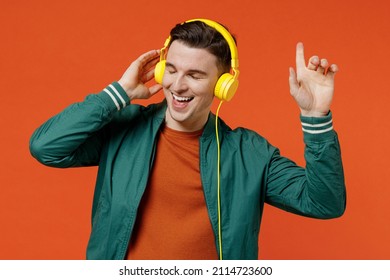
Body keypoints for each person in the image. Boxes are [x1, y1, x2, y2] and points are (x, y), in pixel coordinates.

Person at [29, 19, 346, 260]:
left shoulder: (250, 154)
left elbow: (324, 203)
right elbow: (46, 147)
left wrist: (315, 116)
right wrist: (119, 95)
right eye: (171, 70)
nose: (177, 86)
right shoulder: (123, 130)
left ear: (223, 86)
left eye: (194, 75)